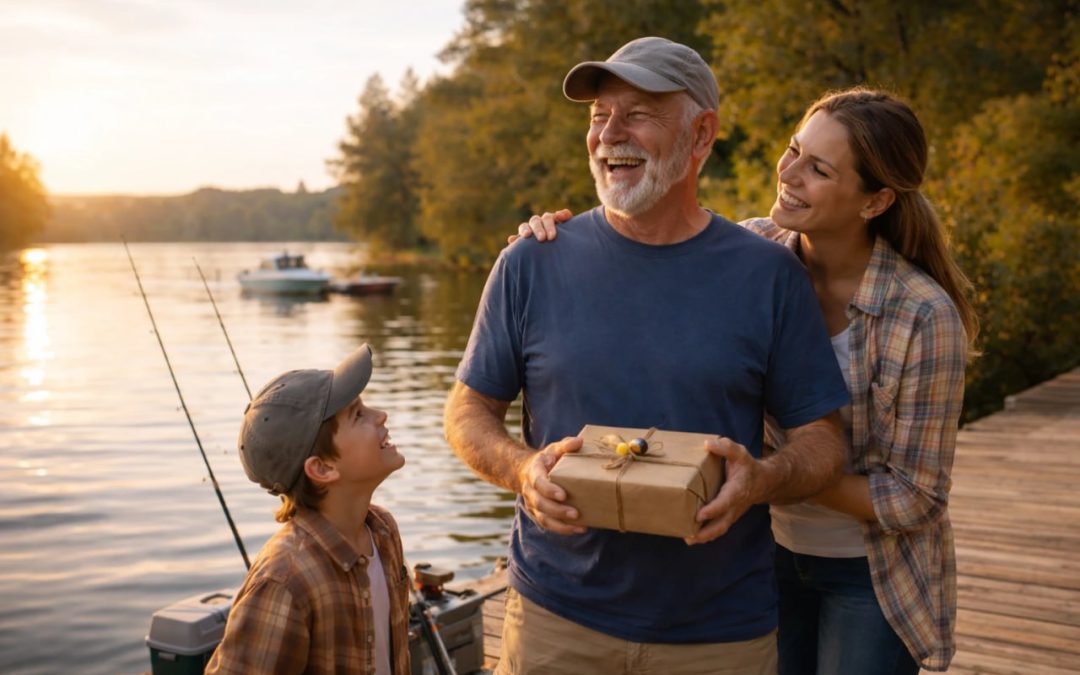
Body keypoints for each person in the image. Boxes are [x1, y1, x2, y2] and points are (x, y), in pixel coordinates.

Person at [513, 87, 976, 673]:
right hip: (759, 555)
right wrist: (553, 246)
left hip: (870, 572)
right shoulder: (752, 251)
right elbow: (649, 246)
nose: (789, 173)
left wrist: (763, 474)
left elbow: (917, 498)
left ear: (875, 200)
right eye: (793, 150)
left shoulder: (923, 315)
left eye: (819, 169)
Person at [445, 36, 851, 675]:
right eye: (598, 117)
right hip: (555, 620)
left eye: (637, 114)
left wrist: (761, 479)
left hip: (722, 634)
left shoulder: (768, 275)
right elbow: (467, 413)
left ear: (700, 135)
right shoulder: (529, 261)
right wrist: (522, 471)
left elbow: (823, 441)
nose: (610, 134)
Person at [205, 344, 411, 675]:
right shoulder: (284, 580)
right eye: (358, 415)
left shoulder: (382, 530)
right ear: (323, 469)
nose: (380, 415)